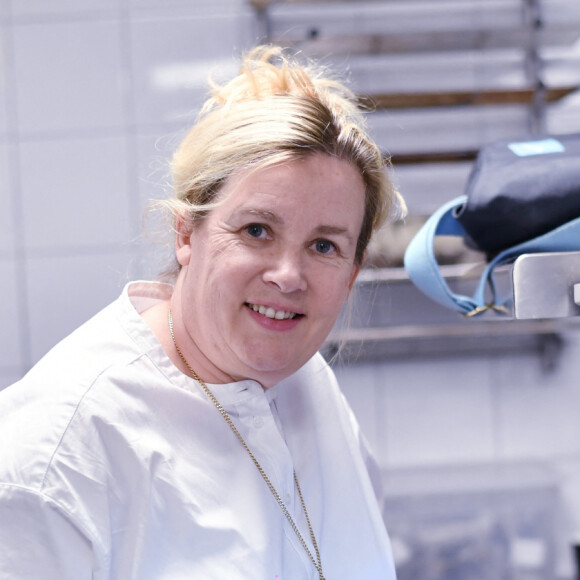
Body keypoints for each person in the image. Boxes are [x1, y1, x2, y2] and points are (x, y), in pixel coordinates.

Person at [0, 45, 405, 579]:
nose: (289, 275)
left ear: (352, 273)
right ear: (186, 233)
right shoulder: (54, 458)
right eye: (256, 230)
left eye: (324, 246)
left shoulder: (307, 383)